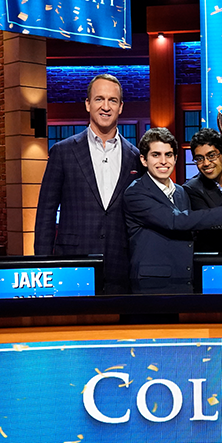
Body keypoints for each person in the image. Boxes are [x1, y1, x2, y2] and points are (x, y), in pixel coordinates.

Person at [33, 74, 143, 294]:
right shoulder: (63, 152)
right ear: (87, 104)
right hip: (72, 263)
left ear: (121, 107)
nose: (106, 106)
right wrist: (43, 266)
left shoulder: (135, 157)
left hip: (120, 266)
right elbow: (46, 213)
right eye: (99, 99)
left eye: (112, 100)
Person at [124, 128, 222, 293]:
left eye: (168, 155)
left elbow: (192, 232)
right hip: (152, 283)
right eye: (156, 155)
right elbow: (176, 221)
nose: (163, 161)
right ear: (143, 159)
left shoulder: (180, 192)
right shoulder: (135, 192)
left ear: (176, 158)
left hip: (186, 280)